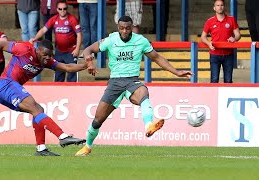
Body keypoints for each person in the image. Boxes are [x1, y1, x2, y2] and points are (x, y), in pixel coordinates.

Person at [75, 16, 193, 156]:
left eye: (127, 28)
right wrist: (89, 62)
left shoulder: (140, 41)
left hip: (132, 81)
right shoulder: (111, 40)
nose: (124, 31)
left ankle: (149, 125)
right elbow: (88, 50)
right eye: (121, 28)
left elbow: (157, 58)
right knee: (97, 120)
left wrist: (177, 72)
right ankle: (87, 146)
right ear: (118, 28)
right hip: (115, 82)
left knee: (143, 93)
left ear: (132, 28)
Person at [0, 39, 92, 156]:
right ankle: (62, 136)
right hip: (5, 84)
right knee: (35, 107)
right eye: (44, 55)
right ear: (37, 50)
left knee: (38, 111)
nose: (47, 58)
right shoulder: (24, 50)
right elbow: (1, 44)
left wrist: (85, 66)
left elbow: (67, 67)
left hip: (8, 90)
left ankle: (41, 149)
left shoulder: (46, 62)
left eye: (50, 55)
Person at [30, 0, 82, 82]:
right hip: (59, 51)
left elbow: (79, 34)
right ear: (57, 9)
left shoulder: (72, 19)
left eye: (64, 9)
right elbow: (43, 30)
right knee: (58, 74)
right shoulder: (54, 19)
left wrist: (77, 49)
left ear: (67, 9)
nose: (62, 11)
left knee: (72, 74)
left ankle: (72, 92)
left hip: (71, 52)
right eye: (60, 9)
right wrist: (35, 38)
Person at [200, 0, 240, 83]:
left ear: (224, 7)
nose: (220, 7)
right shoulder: (210, 21)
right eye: (217, 5)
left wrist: (234, 38)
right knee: (214, 80)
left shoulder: (231, 19)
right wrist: (208, 43)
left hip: (228, 54)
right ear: (214, 8)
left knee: (228, 81)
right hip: (214, 54)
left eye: (221, 5)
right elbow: (203, 37)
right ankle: (212, 96)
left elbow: (238, 35)